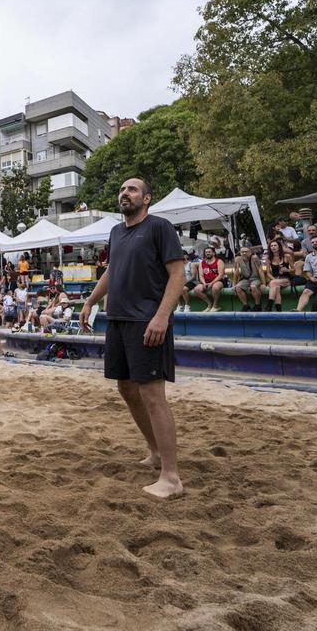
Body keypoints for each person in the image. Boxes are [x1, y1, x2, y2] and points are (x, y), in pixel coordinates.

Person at [79, 178, 185, 500]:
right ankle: (154, 452)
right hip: (119, 320)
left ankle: (172, 477)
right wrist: (90, 301)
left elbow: (178, 274)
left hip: (147, 321)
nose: (125, 193)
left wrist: (162, 316)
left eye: (133, 189)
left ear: (147, 198)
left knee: (153, 395)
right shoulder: (116, 232)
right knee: (126, 388)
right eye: (122, 189)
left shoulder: (159, 227)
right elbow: (113, 271)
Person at [231, 246, 266, 312]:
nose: (244, 253)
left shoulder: (254, 258)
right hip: (245, 279)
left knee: (253, 286)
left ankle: (257, 305)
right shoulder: (238, 259)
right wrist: (233, 285)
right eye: (242, 252)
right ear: (240, 253)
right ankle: (246, 305)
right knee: (238, 288)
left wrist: (264, 284)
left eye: (246, 252)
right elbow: (236, 273)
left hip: (255, 279)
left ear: (250, 252)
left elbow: (260, 271)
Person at [191, 246, 225, 312]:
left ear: (214, 253)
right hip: (205, 281)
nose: (207, 253)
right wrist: (204, 283)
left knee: (215, 287)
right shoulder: (202, 263)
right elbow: (201, 275)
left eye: (209, 252)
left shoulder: (219, 261)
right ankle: (209, 304)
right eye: (206, 252)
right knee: (196, 290)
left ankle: (215, 306)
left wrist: (211, 283)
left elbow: (221, 275)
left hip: (218, 281)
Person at [264, 240, 294, 312]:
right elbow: (268, 273)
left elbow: (294, 269)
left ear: (279, 247)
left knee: (273, 284)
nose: (273, 247)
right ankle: (278, 310)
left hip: (286, 278)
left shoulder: (286, 256)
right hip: (275, 279)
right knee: (276, 287)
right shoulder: (269, 259)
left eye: (275, 245)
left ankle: (269, 305)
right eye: (271, 246)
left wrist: (287, 270)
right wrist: (274, 280)